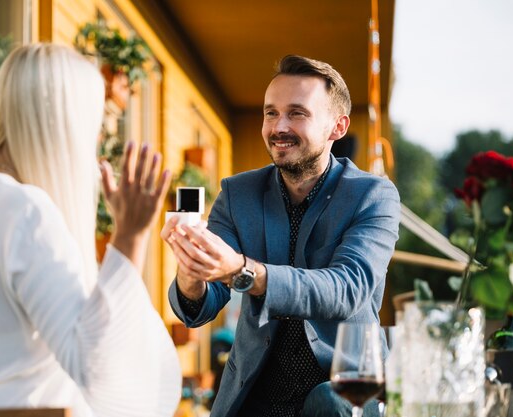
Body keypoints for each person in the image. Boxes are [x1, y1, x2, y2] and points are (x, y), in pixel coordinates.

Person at [0, 43, 181, 416]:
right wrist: (130, 236)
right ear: (64, 124)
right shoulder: (26, 213)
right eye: (92, 126)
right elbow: (95, 369)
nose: (95, 142)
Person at [162, 55, 400, 417]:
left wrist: (243, 271)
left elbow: (346, 290)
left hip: (345, 394)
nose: (278, 126)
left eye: (297, 113)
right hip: (255, 399)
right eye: (270, 113)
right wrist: (191, 268)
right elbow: (200, 308)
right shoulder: (238, 194)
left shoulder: (373, 195)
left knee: (329, 402)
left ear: (337, 127)